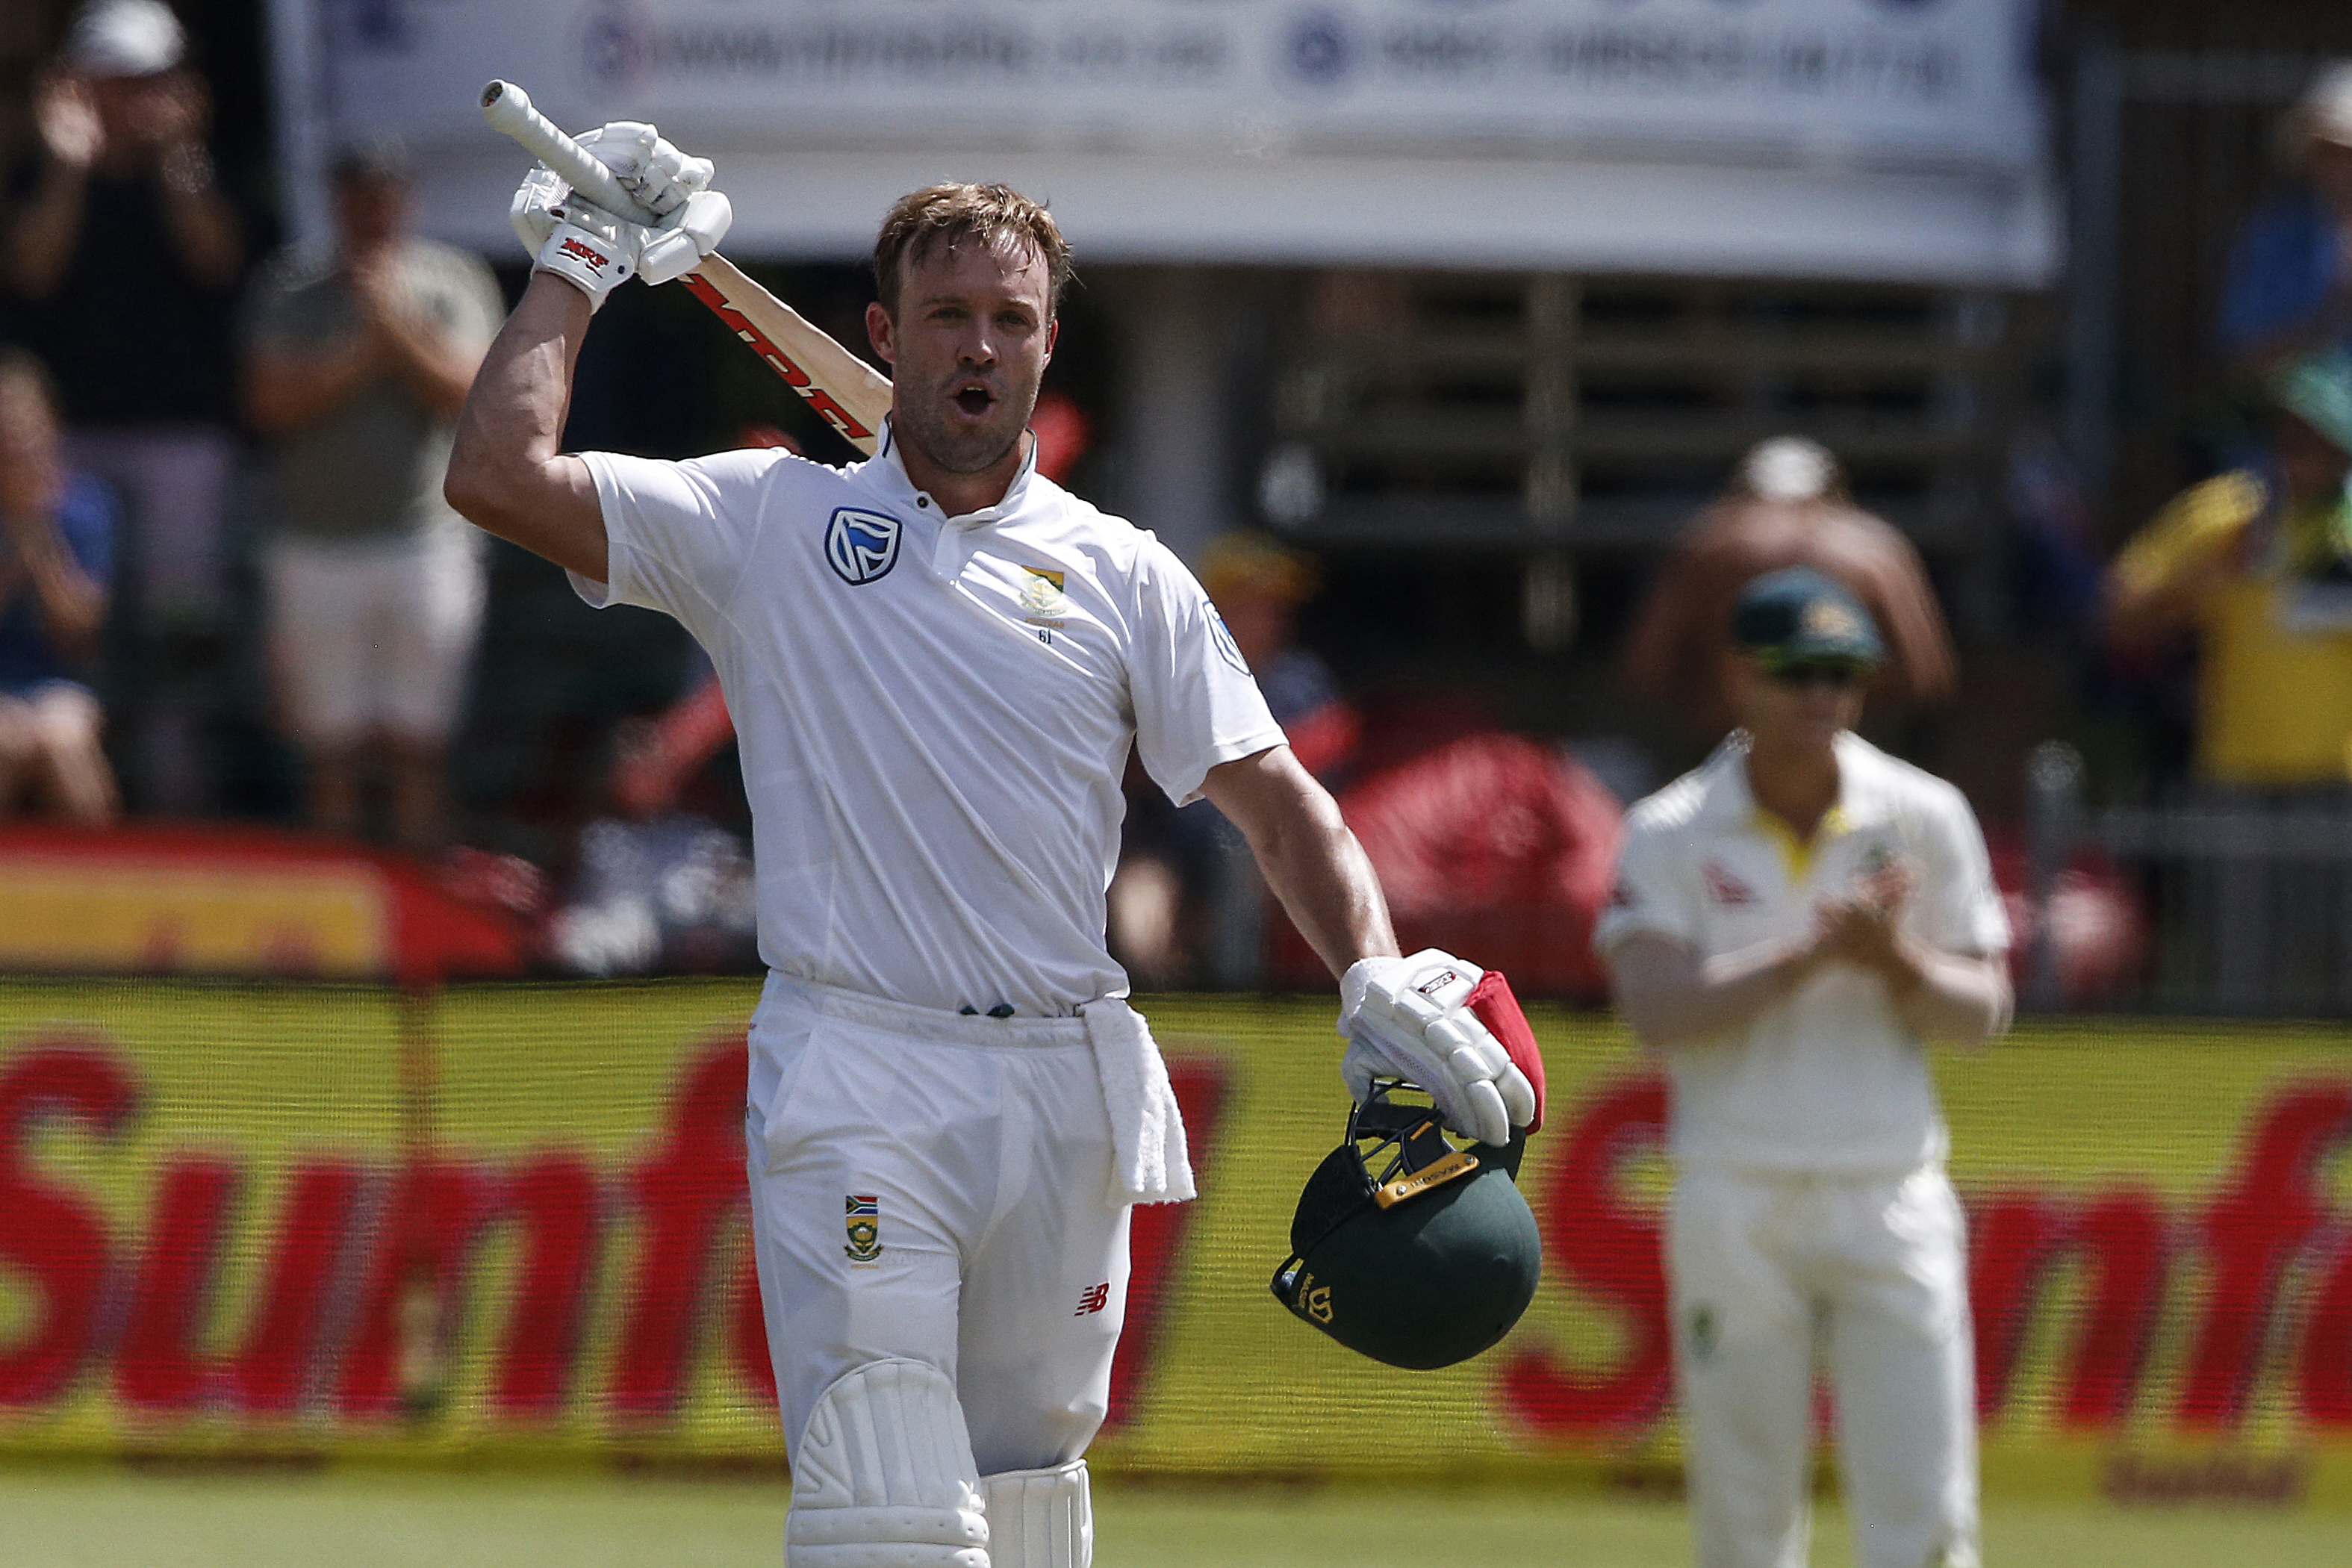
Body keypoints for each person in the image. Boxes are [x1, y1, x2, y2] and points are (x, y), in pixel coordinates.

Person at [444, 133, 1536, 1568]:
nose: (980, 347)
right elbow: (497, 475)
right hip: (859, 1065)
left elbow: (1278, 802)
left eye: (1010, 320)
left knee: (1030, 1500)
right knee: (889, 1498)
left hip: (1064, 1083)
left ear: (1048, 344)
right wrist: (575, 268)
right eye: (947, 317)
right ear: (885, 338)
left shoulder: (1123, 570)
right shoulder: (767, 518)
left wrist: (1371, 978)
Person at [1596, 567, 2012, 1568]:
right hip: (1734, 1193)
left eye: (1840, 672)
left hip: (1889, 1192)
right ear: (1739, 676)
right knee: (1745, 1512)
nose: (1818, 696)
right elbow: (1654, 1010)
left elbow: (1983, 1012)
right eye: (1794, 671)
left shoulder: (1921, 813)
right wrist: (1811, 955)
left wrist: (1895, 958)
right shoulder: (1671, 826)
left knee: (1925, 1509)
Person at [3, 0, 243, 811]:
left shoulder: (202, 166)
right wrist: (69, 164)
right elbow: (32, 272)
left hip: (180, 439)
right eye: (113, 80)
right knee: (67, 621)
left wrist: (178, 155)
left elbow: (215, 258)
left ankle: (179, 800)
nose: (131, 96)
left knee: (180, 631)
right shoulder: (45, 170)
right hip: (65, 441)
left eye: (148, 80)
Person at [240, 143, 502, 850]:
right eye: (357, 194)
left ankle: (418, 923)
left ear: (405, 197)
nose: (371, 209)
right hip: (315, 544)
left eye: (384, 193)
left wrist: (390, 319)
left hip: (426, 541)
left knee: (419, 741)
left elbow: (467, 393)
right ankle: (341, 927)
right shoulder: (290, 285)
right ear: (336, 201)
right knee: (331, 746)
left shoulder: (453, 279)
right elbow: (270, 403)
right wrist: (365, 344)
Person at [2104, 355, 2352, 786]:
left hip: (2340, 778)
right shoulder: (2226, 513)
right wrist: (2205, 579)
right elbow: (2117, 620)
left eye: (2315, 438)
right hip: (2234, 774)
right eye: (2287, 435)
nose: (2299, 454)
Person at [1620, 437, 1957, 741]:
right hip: (1839, 753)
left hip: (1725, 747)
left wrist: (1751, 688)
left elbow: (1646, 667)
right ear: (1835, 490)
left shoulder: (1707, 543)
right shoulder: (1874, 548)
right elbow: (1926, 678)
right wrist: (1832, 685)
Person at [0, 348, 117, 824]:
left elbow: (79, 630)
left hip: (57, 684)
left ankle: (98, 892)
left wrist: (41, 542)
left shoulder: (85, 508)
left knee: (65, 749)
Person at [2218, 62, 2352, 382]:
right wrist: (2330, 315)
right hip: (2288, 423)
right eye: (2329, 152)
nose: (2341, 167)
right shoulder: (2276, 236)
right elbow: (2243, 359)